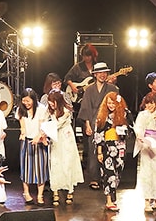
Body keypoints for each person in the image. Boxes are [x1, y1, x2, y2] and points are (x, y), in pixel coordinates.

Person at [77, 62, 119, 190]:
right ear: (95, 74)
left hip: (109, 122)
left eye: (104, 72)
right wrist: (87, 125)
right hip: (93, 121)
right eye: (100, 73)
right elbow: (85, 108)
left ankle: (108, 176)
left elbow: (118, 106)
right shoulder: (89, 89)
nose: (102, 75)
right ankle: (94, 178)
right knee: (93, 150)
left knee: (109, 148)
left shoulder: (113, 89)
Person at [43, 89, 84, 206]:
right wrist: (43, 130)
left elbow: (57, 124)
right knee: (55, 163)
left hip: (65, 138)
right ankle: (55, 191)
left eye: (53, 101)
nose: (51, 104)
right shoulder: (49, 109)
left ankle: (70, 190)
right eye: (49, 101)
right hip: (55, 138)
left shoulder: (66, 111)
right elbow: (44, 120)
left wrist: (44, 131)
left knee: (67, 163)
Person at [94, 92, 129, 212]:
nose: (111, 105)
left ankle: (113, 198)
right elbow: (98, 135)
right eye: (108, 103)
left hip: (120, 147)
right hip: (107, 148)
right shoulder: (102, 117)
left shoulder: (124, 115)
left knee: (117, 173)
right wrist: (99, 152)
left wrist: (124, 130)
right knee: (109, 174)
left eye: (113, 103)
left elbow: (131, 129)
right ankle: (109, 200)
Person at [16, 88, 48, 205]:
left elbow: (42, 126)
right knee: (26, 168)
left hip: (39, 141)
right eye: (24, 100)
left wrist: (38, 137)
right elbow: (22, 126)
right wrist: (22, 133)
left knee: (40, 169)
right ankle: (26, 193)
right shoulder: (20, 109)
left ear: (34, 100)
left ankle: (40, 195)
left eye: (28, 101)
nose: (26, 103)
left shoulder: (41, 109)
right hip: (26, 141)